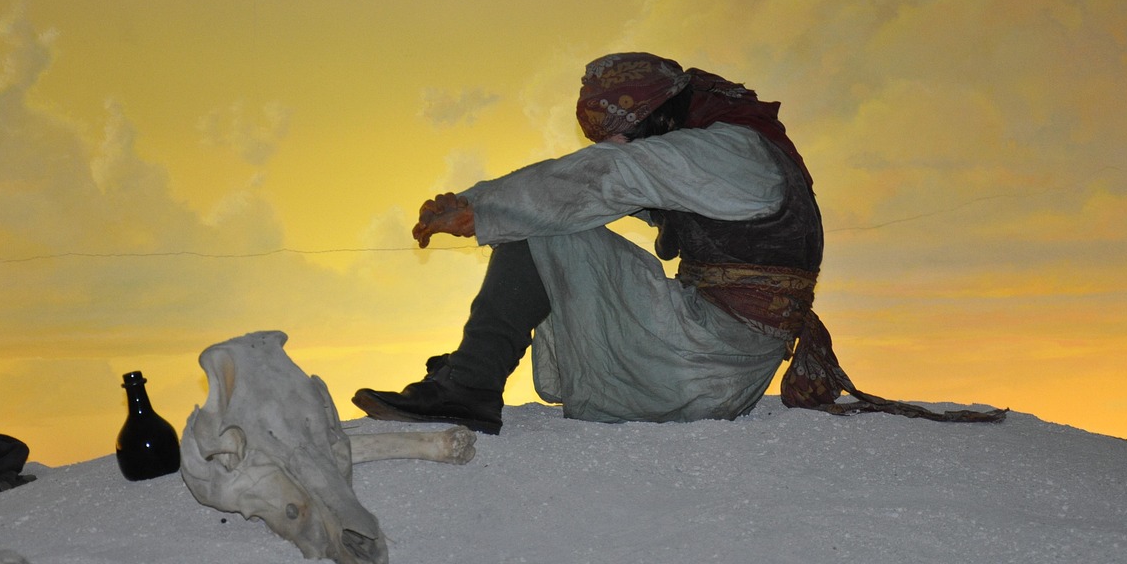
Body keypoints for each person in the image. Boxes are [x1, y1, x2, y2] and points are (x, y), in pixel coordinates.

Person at [352, 53, 1005, 433]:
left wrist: (478, 208)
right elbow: (610, 178)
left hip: (704, 362)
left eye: (623, 132)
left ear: (661, 114)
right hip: (716, 361)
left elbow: (604, 179)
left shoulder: (725, 152)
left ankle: (467, 391)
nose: (616, 146)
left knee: (546, 235)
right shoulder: (709, 150)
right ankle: (470, 368)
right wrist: (488, 206)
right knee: (559, 223)